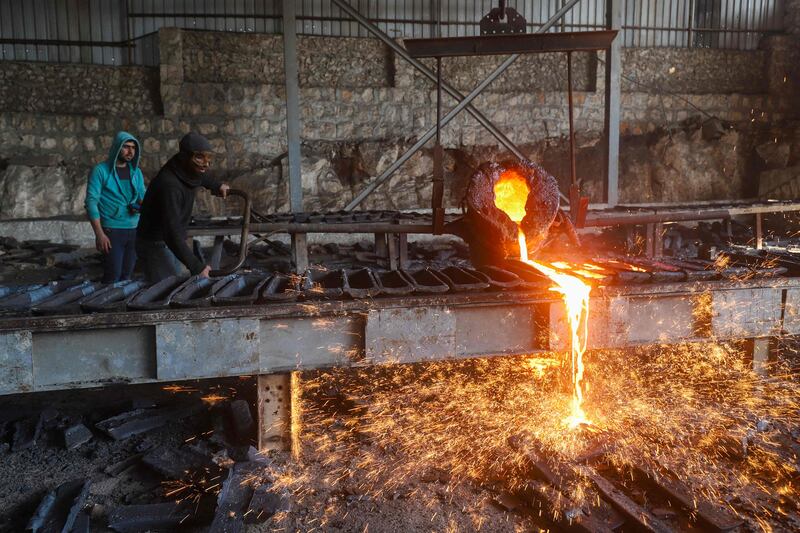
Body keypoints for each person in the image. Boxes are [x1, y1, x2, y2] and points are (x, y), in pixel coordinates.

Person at [136, 132, 229, 282]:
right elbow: (171, 234)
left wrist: (217, 186)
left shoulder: (184, 168)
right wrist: (197, 267)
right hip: (155, 243)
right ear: (185, 157)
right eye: (199, 157)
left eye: (208, 158)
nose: (206, 163)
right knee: (165, 289)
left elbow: (201, 176)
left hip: (168, 241)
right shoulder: (170, 185)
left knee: (175, 282)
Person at [85, 131, 146, 283]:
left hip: (134, 229)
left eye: (133, 148)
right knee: (113, 276)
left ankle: (121, 306)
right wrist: (99, 234)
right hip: (112, 230)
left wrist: (140, 208)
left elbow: (143, 199)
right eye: (126, 147)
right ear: (116, 148)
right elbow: (91, 202)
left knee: (127, 276)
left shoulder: (136, 172)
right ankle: (104, 306)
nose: (130, 151)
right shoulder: (100, 171)